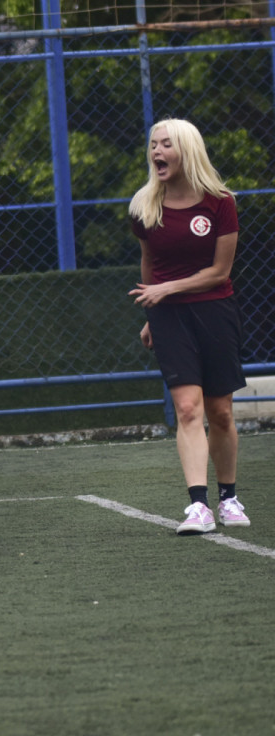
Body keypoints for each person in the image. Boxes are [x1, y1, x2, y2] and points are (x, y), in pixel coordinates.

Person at [128, 118, 248, 535]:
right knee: (188, 408)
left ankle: (228, 496)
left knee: (220, 412)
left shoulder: (220, 202)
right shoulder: (144, 206)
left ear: (186, 150)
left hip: (216, 310)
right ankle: (199, 506)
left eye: (166, 145)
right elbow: (150, 266)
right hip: (168, 317)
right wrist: (151, 310)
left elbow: (220, 271)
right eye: (153, 145)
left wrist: (166, 289)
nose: (157, 152)